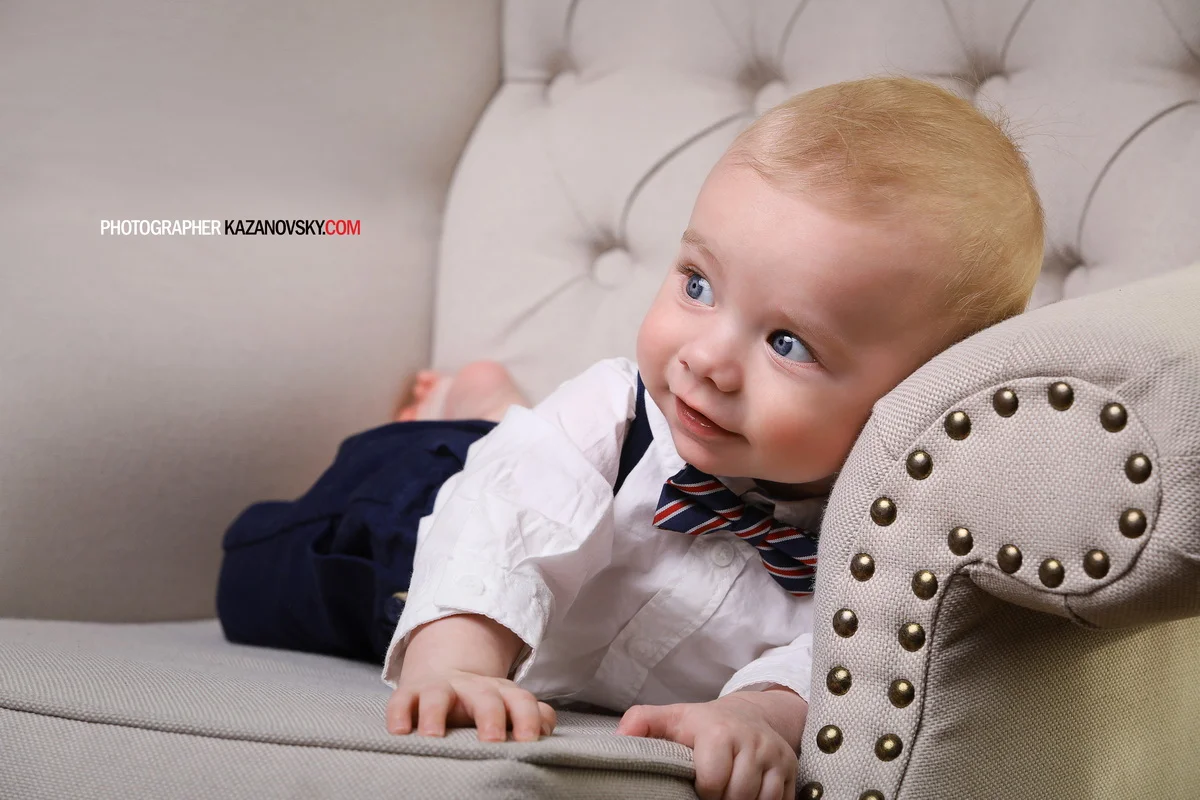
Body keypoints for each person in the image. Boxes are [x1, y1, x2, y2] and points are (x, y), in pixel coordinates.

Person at [217, 77, 1044, 800]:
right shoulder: (616, 411)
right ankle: (472, 416)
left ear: (917, 398)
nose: (708, 358)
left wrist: (755, 716)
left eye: (787, 343)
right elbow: (504, 513)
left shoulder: (885, 545)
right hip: (418, 521)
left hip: (558, 531)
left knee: (524, 444)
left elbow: (833, 655)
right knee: (254, 570)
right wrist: (458, 661)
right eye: (697, 284)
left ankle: (496, 403)